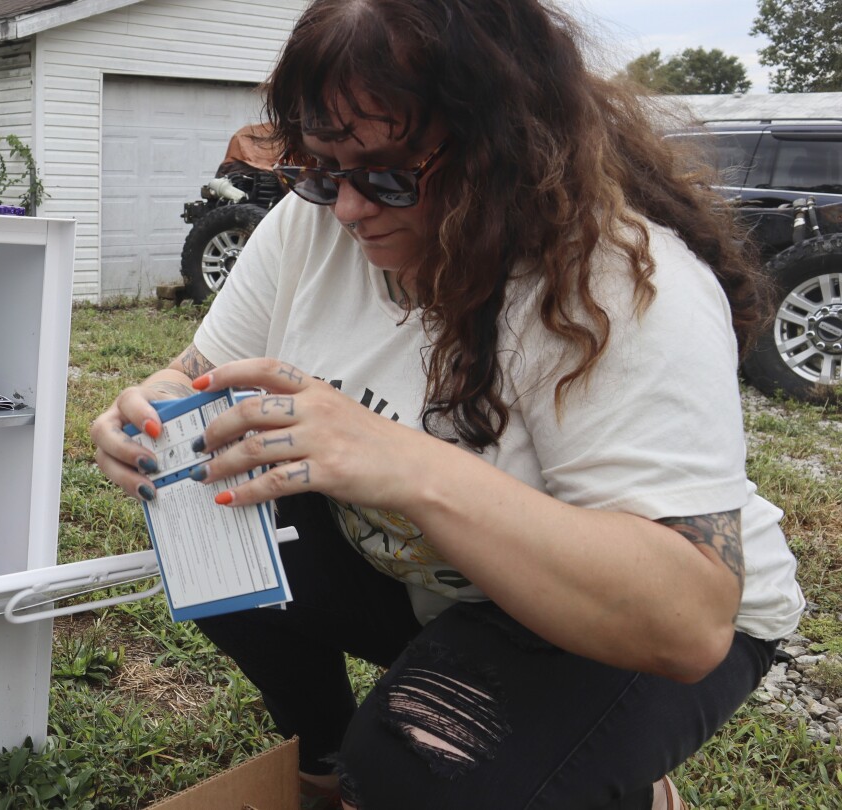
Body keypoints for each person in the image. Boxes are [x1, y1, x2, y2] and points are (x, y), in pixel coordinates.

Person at [87, 0, 806, 808]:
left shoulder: (619, 287)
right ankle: (321, 769)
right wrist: (149, 409)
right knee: (204, 513)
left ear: (509, 148)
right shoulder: (312, 224)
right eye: (322, 170)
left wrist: (403, 463)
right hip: (442, 580)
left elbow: (686, 618)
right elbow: (195, 376)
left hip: (624, 617)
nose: (351, 208)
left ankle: (617, 783)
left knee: (418, 765)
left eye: (389, 175)